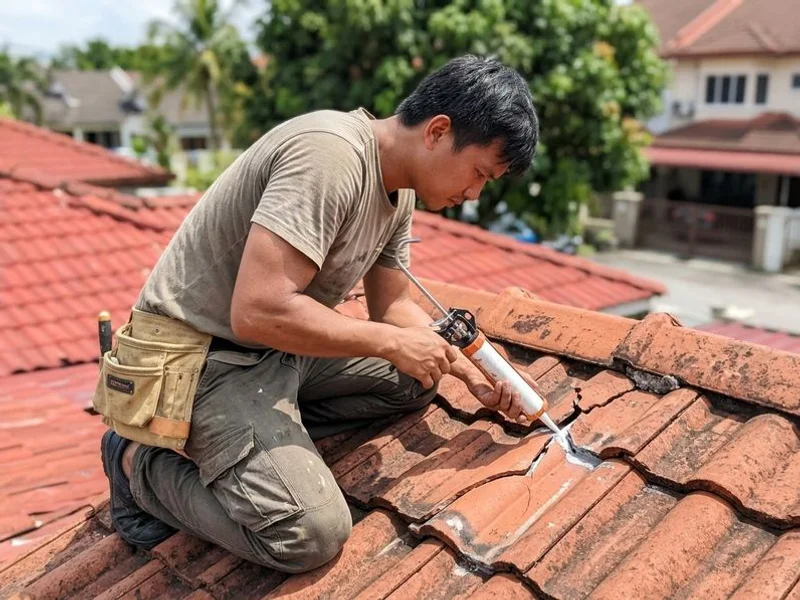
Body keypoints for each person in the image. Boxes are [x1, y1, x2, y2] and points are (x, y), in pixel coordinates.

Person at [97, 54, 539, 573]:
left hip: (278, 350)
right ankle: (137, 465)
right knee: (309, 535)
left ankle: (260, 438)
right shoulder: (329, 155)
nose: (473, 193)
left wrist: (472, 372)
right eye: (479, 173)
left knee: (415, 378)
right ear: (439, 132)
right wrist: (391, 342)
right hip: (206, 359)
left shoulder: (399, 192)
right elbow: (257, 311)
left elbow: (393, 306)